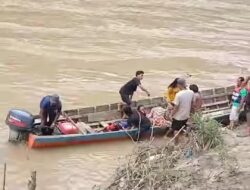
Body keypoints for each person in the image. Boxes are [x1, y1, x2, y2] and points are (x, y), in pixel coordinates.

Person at [165, 78, 194, 144]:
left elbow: (176, 108)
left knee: (176, 130)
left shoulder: (179, 95)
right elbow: (192, 104)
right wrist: (191, 114)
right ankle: (187, 140)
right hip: (186, 115)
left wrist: (171, 115)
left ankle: (176, 144)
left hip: (178, 117)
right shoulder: (191, 92)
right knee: (179, 127)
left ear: (178, 85)